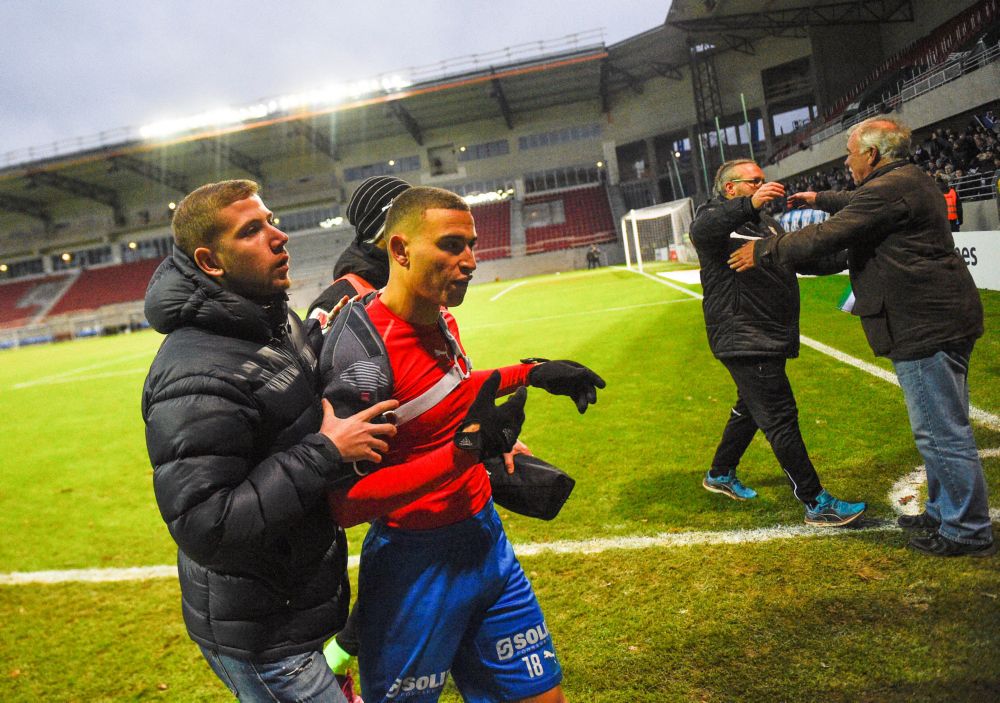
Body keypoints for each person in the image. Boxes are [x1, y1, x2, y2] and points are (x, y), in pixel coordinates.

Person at [321, 186, 605, 702]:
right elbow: (343, 505)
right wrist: (462, 455)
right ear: (400, 251)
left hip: (486, 544)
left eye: (472, 244)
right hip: (414, 566)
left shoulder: (441, 318)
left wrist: (532, 373)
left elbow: (447, 393)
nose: (471, 261)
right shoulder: (360, 355)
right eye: (452, 245)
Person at [142, 179, 399, 701]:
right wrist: (327, 452)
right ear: (211, 262)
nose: (279, 236)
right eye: (252, 231)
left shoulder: (276, 320)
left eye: (272, 219)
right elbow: (205, 523)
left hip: (296, 603)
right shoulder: (193, 374)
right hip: (264, 639)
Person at [729, 117, 993, 557]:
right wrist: (819, 197)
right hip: (939, 318)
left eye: (850, 154)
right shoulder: (907, 179)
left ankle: (967, 529)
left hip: (922, 323)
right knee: (940, 429)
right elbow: (856, 201)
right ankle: (943, 512)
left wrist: (765, 249)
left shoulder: (889, 189)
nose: (848, 162)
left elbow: (831, 232)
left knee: (941, 433)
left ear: (870, 154)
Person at [690, 159, 866, 526]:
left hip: (768, 332)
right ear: (730, 188)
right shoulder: (713, 220)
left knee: (752, 407)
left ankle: (720, 473)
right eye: (753, 182)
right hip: (744, 335)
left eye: (762, 180)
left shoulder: (766, 223)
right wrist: (750, 204)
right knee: (781, 417)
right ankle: (816, 502)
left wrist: (853, 253)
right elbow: (704, 228)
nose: (763, 185)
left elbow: (801, 260)